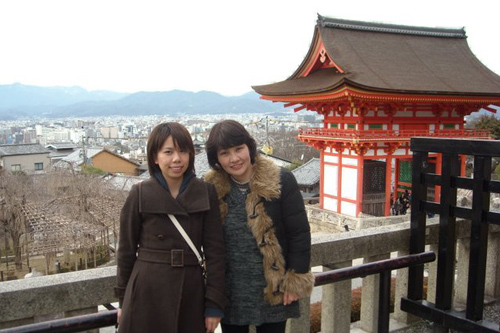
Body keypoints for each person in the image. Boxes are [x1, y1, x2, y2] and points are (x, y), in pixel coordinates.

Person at [115, 122, 227, 333]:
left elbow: (216, 253)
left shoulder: (205, 192)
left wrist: (213, 304)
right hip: (146, 289)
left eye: (183, 151)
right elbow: (126, 252)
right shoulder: (139, 194)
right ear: (155, 157)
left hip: (191, 289)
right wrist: (123, 301)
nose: (177, 159)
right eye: (168, 152)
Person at [204, 120, 314, 333]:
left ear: (249, 147)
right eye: (225, 153)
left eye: (239, 149)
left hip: (272, 288)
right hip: (232, 290)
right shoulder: (211, 189)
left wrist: (295, 279)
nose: (234, 159)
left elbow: (299, 233)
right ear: (216, 159)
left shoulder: (281, 180)